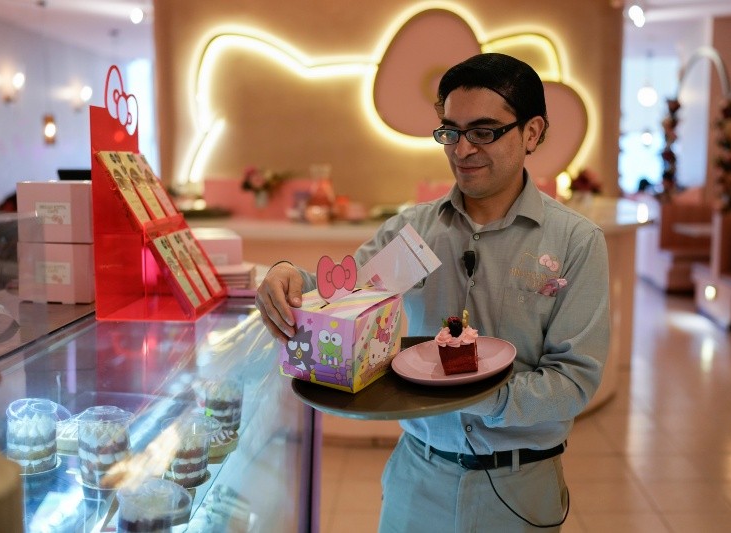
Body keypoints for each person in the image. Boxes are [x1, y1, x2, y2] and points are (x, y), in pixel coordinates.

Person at [256, 53, 610, 532]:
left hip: (519, 485)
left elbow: (572, 383)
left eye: (483, 132)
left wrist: (466, 391)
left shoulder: (574, 242)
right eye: (450, 131)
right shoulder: (418, 232)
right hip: (417, 479)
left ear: (532, 132)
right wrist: (286, 276)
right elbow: (348, 296)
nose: (462, 150)